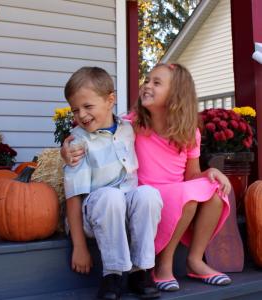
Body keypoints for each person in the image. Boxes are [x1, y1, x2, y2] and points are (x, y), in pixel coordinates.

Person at [62, 63, 232, 292]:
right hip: (121, 201)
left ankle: (174, 264)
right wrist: (66, 148)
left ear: (176, 94)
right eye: (147, 80)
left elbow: (191, 175)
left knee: (204, 192)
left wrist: (210, 171)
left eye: (156, 82)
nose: (147, 85)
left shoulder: (178, 131)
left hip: (158, 197)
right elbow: (98, 133)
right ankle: (139, 270)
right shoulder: (132, 124)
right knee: (179, 195)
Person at [63, 66, 162, 300]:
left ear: (110, 100)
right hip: (95, 214)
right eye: (75, 110)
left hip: (125, 209)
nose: (81, 115)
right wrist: (79, 246)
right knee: (111, 196)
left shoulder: (128, 128)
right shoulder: (77, 142)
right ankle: (113, 275)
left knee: (148, 194)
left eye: (88, 106)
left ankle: (142, 270)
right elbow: (73, 196)